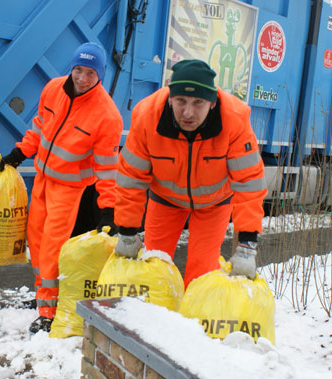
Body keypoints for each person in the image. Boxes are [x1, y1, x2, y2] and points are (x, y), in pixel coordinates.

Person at [0, 42, 123, 333]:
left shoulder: (107, 115)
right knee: (37, 241)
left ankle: (49, 311)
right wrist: (20, 153)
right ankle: (43, 296)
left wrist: (109, 207)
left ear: (100, 75)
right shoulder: (54, 88)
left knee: (53, 248)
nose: (82, 78)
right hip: (41, 178)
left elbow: (108, 169)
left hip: (69, 189)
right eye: (78, 70)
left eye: (90, 73)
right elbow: (39, 127)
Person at [113, 59, 267, 287]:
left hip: (214, 204)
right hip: (165, 199)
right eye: (181, 101)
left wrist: (246, 245)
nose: (188, 112)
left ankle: (192, 320)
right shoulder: (147, 118)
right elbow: (131, 179)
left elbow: (249, 183)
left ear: (213, 103)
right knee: (154, 267)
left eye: (198, 103)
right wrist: (126, 232)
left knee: (202, 273)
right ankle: (153, 317)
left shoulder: (234, 121)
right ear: (169, 99)